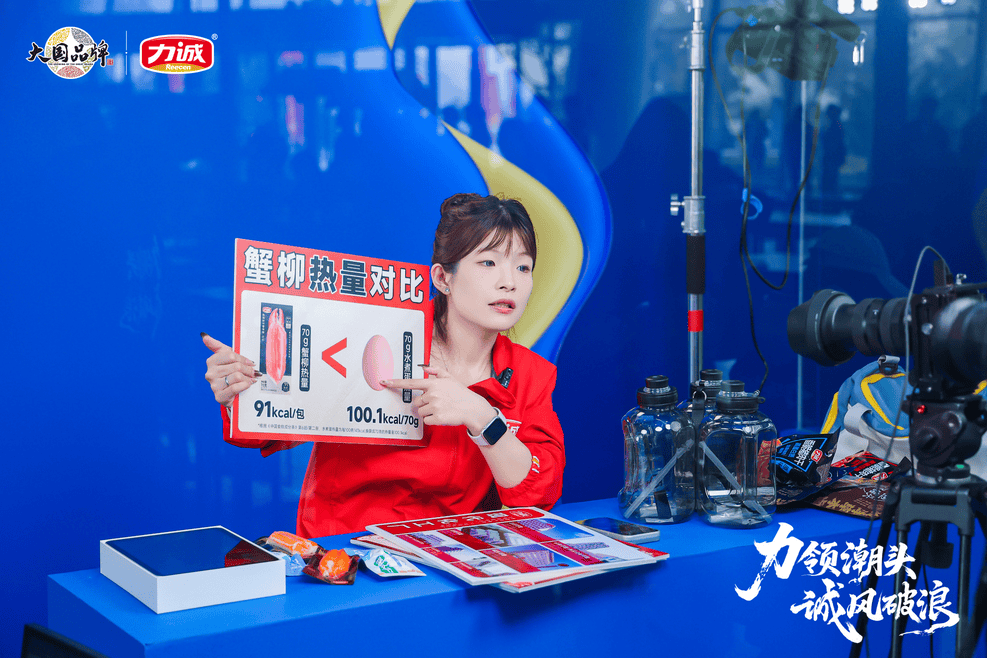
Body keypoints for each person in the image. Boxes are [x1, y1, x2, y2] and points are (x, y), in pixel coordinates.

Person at [202, 193, 565, 537]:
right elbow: (272, 427)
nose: (509, 283)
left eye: (523, 267)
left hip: (454, 557)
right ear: (443, 278)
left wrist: (481, 416)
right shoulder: (371, 336)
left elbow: (539, 493)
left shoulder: (530, 374)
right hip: (351, 550)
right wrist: (239, 392)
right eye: (488, 263)